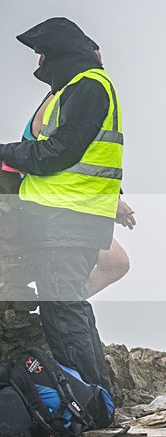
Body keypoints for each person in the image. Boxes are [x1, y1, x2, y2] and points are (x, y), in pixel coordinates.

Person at [0, 18, 124, 390]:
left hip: (65, 219)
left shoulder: (87, 87)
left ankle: (91, 405)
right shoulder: (80, 87)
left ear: (60, 54)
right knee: (72, 313)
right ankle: (97, 400)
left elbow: (57, 153)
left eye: (42, 54)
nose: (38, 64)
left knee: (65, 317)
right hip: (69, 217)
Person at [20, 40, 134, 300]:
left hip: (74, 202)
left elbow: (86, 152)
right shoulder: (63, 96)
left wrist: (112, 197)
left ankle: (61, 321)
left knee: (116, 264)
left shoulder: (79, 93)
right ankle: (60, 323)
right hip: (55, 206)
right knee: (112, 263)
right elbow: (59, 154)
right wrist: (110, 200)